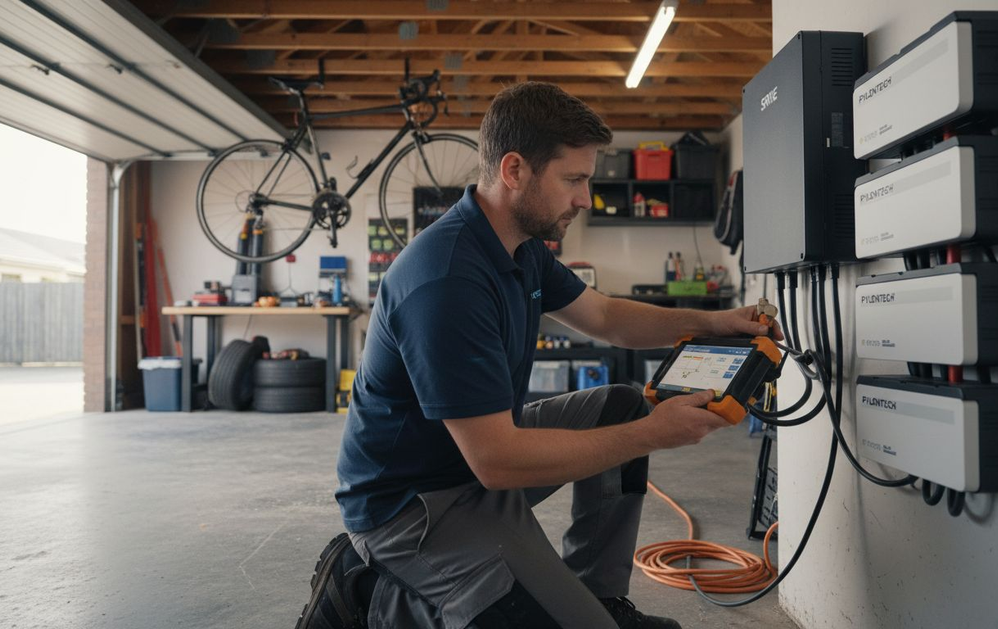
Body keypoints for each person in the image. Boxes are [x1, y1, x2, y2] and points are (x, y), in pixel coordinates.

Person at [295, 82, 782, 629]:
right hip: (414, 505)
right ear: (514, 170)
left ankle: (600, 596)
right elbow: (498, 462)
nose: (585, 198)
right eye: (573, 179)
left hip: (475, 459)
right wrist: (653, 433)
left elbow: (605, 317)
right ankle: (379, 600)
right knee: (632, 430)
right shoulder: (446, 279)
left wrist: (716, 321)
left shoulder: (520, 246)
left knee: (621, 405)